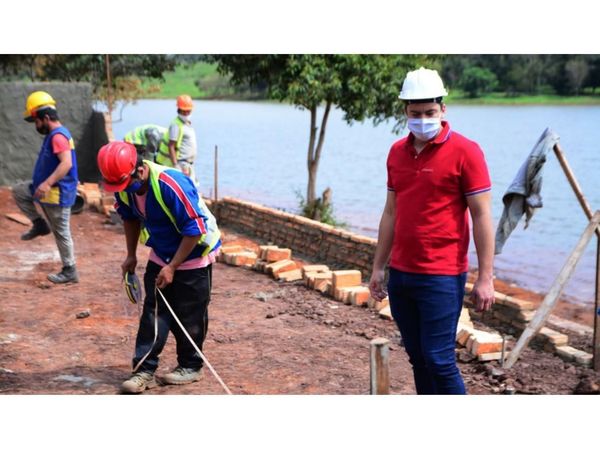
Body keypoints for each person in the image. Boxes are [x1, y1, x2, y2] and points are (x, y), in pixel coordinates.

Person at [368, 67, 495, 395]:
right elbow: (391, 213)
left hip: (442, 274)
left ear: (443, 109)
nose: (422, 119)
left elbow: (481, 216)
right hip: (401, 274)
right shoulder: (397, 152)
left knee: (439, 359)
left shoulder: (466, 151)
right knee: (418, 358)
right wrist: (378, 267)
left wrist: (486, 277)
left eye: (429, 112)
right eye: (415, 113)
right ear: (405, 112)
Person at [97, 141, 221, 394]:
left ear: (139, 170)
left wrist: (174, 266)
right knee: (154, 312)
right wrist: (131, 255)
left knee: (190, 314)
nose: (121, 189)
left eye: (124, 183)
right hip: (162, 252)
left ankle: (190, 366)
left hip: (195, 251)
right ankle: (143, 370)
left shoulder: (171, 185)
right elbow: (130, 218)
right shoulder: (124, 185)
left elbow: (194, 229)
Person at [12, 91, 79, 284]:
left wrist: (48, 183)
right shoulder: (54, 135)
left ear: (46, 118)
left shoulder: (58, 136)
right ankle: (39, 224)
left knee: (62, 233)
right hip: (46, 190)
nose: (36, 125)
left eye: (36, 121)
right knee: (20, 191)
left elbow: (66, 164)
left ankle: (70, 270)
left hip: (56, 193)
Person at [155, 94, 199, 186]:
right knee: (184, 188)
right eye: (184, 111)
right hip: (182, 163)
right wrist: (176, 165)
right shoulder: (176, 125)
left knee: (192, 187)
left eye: (188, 111)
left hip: (189, 164)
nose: (187, 113)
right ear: (179, 110)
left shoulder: (187, 123)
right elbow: (171, 145)